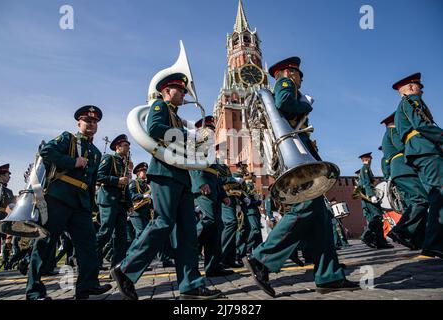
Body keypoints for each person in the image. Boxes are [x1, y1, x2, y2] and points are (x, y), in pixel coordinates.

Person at [243, 56, 360, 296]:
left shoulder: (288, 85)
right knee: (303, 209)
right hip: (296, 157)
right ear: (288, 72)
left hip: (300, 155)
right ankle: (261, 259)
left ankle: (329, 276)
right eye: (298, 73)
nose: (301, 78)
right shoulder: (285, 85)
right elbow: (285, 103)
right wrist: (305, 103)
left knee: (321, 221)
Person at [110, 73, 222, 300]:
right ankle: (126, 269)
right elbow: (154, 129)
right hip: (164, 173)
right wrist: (190, 135)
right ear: (166, 91)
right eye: (180, 90)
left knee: (188, 233)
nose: (183, 94)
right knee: (163, 222)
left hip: (181, 176)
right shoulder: (160, 106)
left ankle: (190, 284)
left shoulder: (177, 117)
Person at [25, 105, 112, 300]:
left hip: (80, 205)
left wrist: (91, 207)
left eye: (95, 122)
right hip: (58, 198)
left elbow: (90, 184)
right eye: (88, 121)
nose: (92, 124)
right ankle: (34, 292)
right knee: (45, 243)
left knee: (88, 244)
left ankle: (87, 285)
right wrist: (73, 162)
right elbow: (46, 152)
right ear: (79, 123)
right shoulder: (68, 139)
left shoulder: (96, 152)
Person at [392, 72, 443, 258]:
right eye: (419, 87)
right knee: (440, 194)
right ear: (412, 87)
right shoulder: (411, 100)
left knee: (435, 196)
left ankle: (433, 242)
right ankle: (435, 243)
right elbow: (422, 124)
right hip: (425, 149)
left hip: (419, 151)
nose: (420, 91)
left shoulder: (403, 104)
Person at [189, 116, 234, 277]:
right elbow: (191, 165)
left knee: (216, 227)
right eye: (209, 129)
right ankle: (188, 248)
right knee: (208, 221)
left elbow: (215, 174)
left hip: (214, 188)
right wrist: (201, 183)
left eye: (213, 130)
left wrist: (223, 195)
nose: (212, 132)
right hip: (203, 188)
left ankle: (213, 267)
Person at [380, 112, 428, 250]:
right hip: (404, 168)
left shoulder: (387, 134)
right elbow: (402, 146)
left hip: (401, 170)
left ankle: (416, 238)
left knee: (414, 203)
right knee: (421, 200)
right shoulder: (393, 130)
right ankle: (401, 230)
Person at [96, 134, 133, 270]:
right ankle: (89, 257)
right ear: (117, 147)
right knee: (105, 232)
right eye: (125, 145)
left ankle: (117, 267)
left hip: (121, 204)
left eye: (128, 145)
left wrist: (129, 204)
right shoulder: (109, 158)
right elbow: (98, 176)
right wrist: (116, 180)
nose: (128, 148)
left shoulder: (123, 163)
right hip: (109, 200)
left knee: (121, 238)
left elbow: (125, 186)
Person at [358, 152, 394, 249]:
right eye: (370, 158)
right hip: (369, 197)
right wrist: (372, 195)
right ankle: (366, 236)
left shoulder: (367, 169)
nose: (371, 159)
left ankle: (380, 242)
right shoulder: (365, 169)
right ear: (367, 159)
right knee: (377, 217)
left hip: (369, 196)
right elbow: (366, 183)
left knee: (378, 219)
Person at [0, 164, 15, 274]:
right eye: (7, 175)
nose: (9, 177)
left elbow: (11, 206)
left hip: (2, 218)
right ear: (1, 176)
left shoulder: (8, 191)